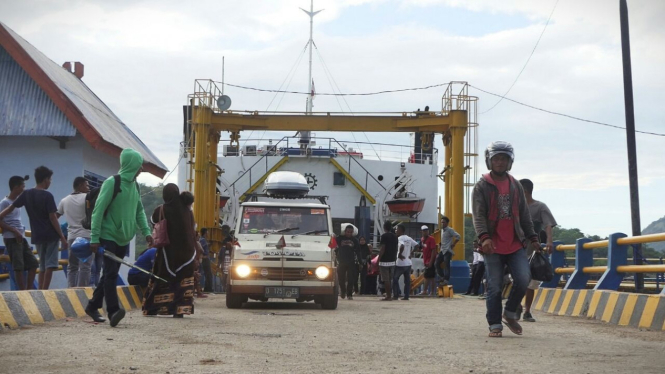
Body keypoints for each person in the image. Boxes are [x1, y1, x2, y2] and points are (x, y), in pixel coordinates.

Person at [472, 141, 540, 338]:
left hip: (515, 243)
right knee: (494, 285)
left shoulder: (515, 185)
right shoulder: (481, 186)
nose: (500, 162)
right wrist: (484, 238)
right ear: (489, 161)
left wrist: (533, 237)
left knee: (523, 279)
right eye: (496, 159)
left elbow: (525, 215)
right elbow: (478, 215)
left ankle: (509, 313)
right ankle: (494, 324)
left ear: (510, 162)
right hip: (492, 245)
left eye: (504, 159)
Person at [85, 149, 154, 327]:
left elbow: (139, 211)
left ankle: (92, 306)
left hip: (124, 238)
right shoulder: (112, 183)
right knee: (110, 274)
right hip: (108, 236)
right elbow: (98, 211)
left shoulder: (135, 186)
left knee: (109, 273)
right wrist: (94, 238)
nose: (140, 170)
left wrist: (146, 232)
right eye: (139, 166)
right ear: (131, 165)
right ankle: (114, 311)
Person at [0, 166, 68, 290]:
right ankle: (44, 290)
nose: (50, 182)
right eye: (50, 179)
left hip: (37, 235)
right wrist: (62, 237)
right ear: (46, 179)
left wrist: (0, 216)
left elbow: (11, 208)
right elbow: (53, 218)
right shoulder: (47, 196)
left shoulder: (26, 194)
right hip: (50, 234)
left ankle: (40, 291)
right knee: (50, 265)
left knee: (41, 265)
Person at [142, 184, 197, 317]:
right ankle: (180, 310)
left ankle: (154, 308)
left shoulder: (161, 209)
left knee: (163, 278)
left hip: (168, 252)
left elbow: (154, 222)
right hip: (187, 254)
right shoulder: (188, 211)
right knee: (183, 281)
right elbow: (193, 228)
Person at [520, 178, 557, 323]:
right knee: (518, 279)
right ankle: (516, 305)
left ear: (525, 191)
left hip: (533, 249)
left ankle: (527, 310)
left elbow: (548, 224)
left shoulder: (540, 207)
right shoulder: (515, 207)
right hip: (516, 249)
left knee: (531, 283)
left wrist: (549, 241)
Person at [0, 176, 38, 290]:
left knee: (33, 263)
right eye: (23, 186)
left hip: (20, 236)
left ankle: (29, 289)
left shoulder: (17, 202)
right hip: (12, 237)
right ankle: (22, 291)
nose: (24, 189)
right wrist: (14, 230)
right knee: (18, 266)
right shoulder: (5, 203)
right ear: (16, 187)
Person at [57, 177, 92, 287]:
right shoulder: (88, 198)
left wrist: (60, 235)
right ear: (80, 185)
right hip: (86, 236)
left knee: (72, 266)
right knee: (85, 266)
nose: (88, 188)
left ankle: (70, 289)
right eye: (86, 185)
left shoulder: (64, 200)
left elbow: (55, 216)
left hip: (71, 237)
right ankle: (82, 290)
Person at [336, 225, 360, 300]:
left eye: (350, 232)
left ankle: (349, 294)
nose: (349, 233)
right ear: (345, 231)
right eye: (347, 232)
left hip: (351, 262)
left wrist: (360, 262)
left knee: (351, 279)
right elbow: (333, 242)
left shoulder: (355, 240)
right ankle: (343, 291)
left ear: (352, 232)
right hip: (341, 261)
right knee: (341, 278)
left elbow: (358, 251)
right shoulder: (340, 239)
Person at [394, 225, 417, 300]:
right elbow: (416, 245)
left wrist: (399, 254)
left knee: (395, 278)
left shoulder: (399, 238)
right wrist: (411, 252)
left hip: (400, 263)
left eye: (396, 229)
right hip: (408, 263)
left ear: (400, 230)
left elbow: (402, 246)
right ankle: (406, 296)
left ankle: (396, 295)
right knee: (407, 281)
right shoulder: (409, 238)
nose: (395, 231)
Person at [435, 216, 460, 286]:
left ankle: (446, 280)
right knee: (436, 263)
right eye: (441, 222)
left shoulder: (450, 230)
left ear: (447, 223)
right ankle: (442, 277)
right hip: (442, 250)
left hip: (448, 250)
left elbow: (458, 236)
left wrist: (454, 244)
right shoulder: (441, 231)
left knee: (446, 265)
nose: (442, 224)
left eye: (444, 222)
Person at [378, 221, 398, 301]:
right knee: (390, 278)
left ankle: (388, 296)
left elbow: (383, 248)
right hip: (392, 259)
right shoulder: (395, 236)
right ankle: (392, 294)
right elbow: (396, 248)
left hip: (384, 260)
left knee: (386, 279)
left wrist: (379, 258)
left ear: (384, 227)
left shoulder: (384, 236)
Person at [418, 225, 437, 296]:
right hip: (425, 260)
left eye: (427, 230)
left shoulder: (431, 239)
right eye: (424, 231)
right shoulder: (422, 239)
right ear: (421, 232)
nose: (425, 232)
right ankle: (430, 292)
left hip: (430, 260)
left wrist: (431, 262)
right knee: (430, 277)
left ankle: (426, 291)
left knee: (428, 276)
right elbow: (421, 248)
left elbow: (433, 250)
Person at [199, 228, 214, 293]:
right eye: (207, 232)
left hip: (204, 258)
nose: (208, 233)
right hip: (205, 259)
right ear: (205, 232)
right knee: (208, 274)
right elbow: (201, 248)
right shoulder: (203, 240)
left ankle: (207, 288)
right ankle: (208, 288)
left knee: (206, 274)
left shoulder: (202, 240)